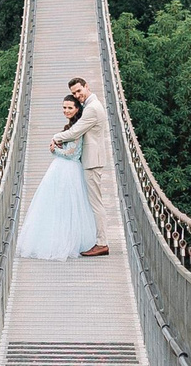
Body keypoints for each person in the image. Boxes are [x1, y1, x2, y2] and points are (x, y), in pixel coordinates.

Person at [17, 95, 99, 259]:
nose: (66, 111)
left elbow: (72, 154)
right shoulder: (71, 126)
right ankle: (60, 239)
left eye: (70, 108)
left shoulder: (77, 128)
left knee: (66, 206)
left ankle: (67, 241)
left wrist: (55, 150)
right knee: (58, 205)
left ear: (77, 109)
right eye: (64, 107)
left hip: (69, 170)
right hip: (62, 169)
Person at [55, 76, 117, 256]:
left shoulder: (92, 108)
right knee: (93, 202)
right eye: (74, 93)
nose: (77, 95)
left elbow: (75, 132)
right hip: (90, 159)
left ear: (86, 86)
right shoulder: (90, 106)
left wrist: (56, 138)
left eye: (79, 91)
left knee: (96, 203)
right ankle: (94, 239)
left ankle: (102, 243)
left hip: (92, 161)